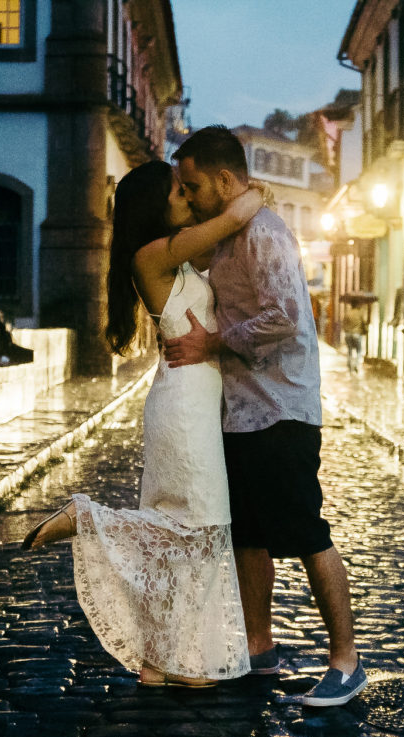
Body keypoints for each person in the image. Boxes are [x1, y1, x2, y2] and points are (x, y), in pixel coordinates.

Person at [21, 160, 265, 689]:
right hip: (183, 406)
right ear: (157, 205)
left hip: (194, 400)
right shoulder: (153, 255)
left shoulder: (178, 259)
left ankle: (160, 662)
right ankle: (87, 518)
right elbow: (236, 215)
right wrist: (249, 189)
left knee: (177, 537)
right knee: (199, 526)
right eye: (180, 191)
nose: (187, 196)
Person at [165, 126, 367, 707]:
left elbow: (285, 318)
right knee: (249, 537)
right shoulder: (227, 235)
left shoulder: (266, 234)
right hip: (241, 413)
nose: (190, 193)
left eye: (195, 184)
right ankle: (260, 651)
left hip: (282, 411)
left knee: (306, 533)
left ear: (226, 180)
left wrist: (214, 342)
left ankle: (346, 663)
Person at [342, 301, 367, 373]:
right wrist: (365, 331)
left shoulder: (347, 313)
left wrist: (347, 330)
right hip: (357, 334)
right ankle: (356, 364)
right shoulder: (360, 313)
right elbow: (363, 323)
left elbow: (344, 324)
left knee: (349, 350)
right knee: (359, 351)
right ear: (357, 305)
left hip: (348, 334)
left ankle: (349, 365)